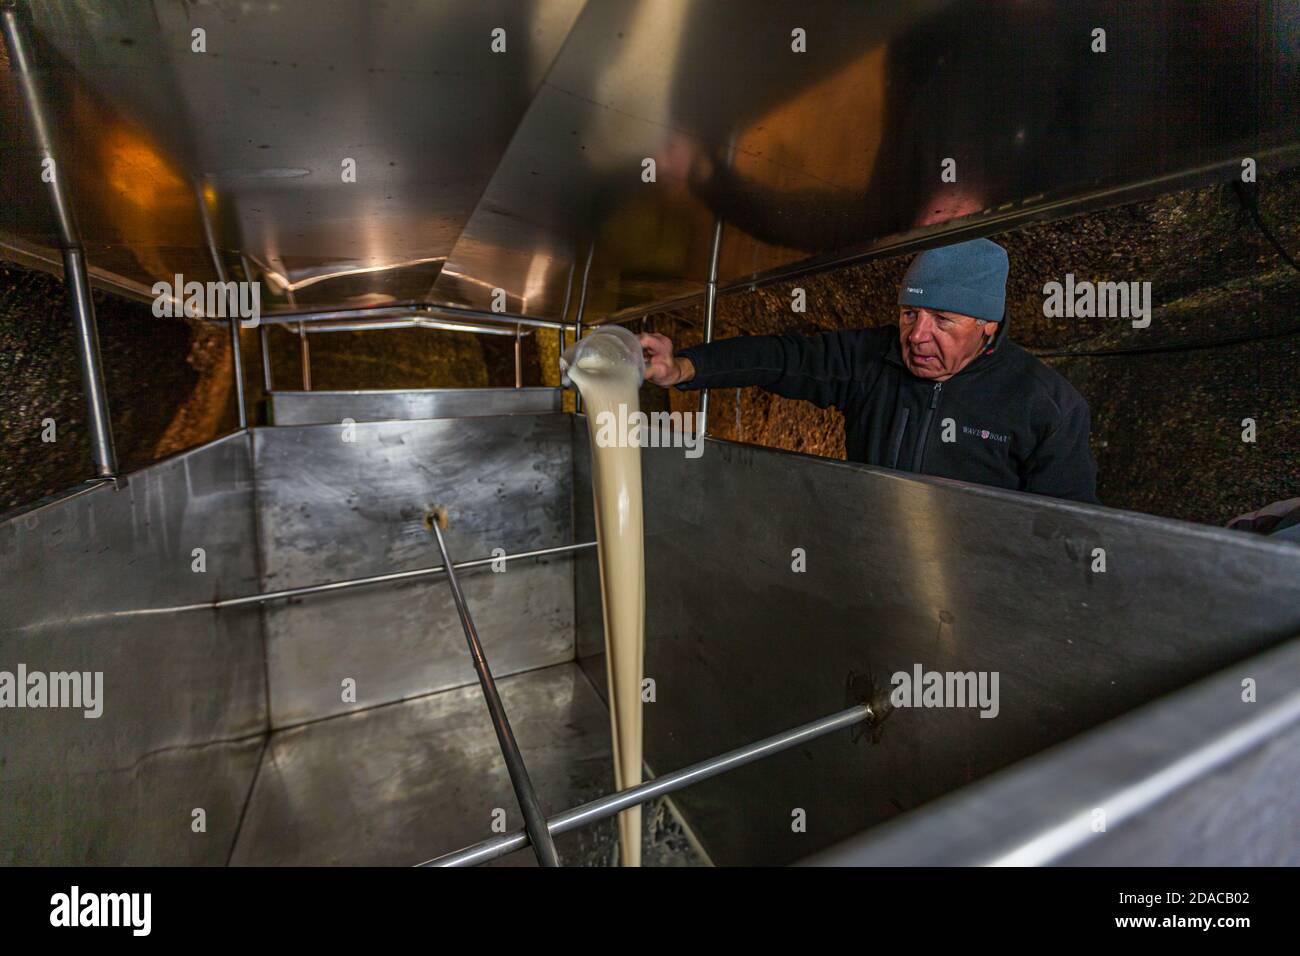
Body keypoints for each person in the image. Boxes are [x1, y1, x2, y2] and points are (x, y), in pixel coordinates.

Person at [640, 238, 1099, 504]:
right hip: (872, 556)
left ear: (987, 326)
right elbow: (781, 357)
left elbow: (1064, 528)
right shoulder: (871, 359)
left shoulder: (1047, 406)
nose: (917, 336)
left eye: (943, 320)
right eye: (908, 314)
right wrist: (683, 366)